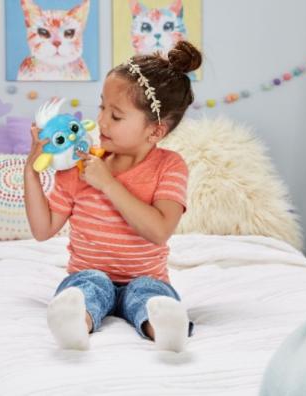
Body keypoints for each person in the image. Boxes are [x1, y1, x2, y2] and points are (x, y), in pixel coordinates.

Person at [24, 40, 202, 352]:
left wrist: (108, 184)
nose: (102, 121)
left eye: (116, 115)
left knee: (148, 293)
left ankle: (164, 328)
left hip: (145, 276)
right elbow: (43, 229)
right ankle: (75, 324)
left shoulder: (169, 167)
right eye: (102, 107)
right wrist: (31, 172)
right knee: (87, 286)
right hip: (89, 273)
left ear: (155, 131)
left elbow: (159, 230)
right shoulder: (82, 164)